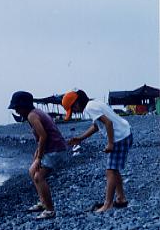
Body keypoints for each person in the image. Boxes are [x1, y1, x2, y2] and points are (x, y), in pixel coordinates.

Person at [62, 89, 132, 212]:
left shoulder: (90, 108)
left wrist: (110, 144)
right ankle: (121, 199)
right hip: (124, 133)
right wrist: (80, 138)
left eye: (73, 109)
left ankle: (108, 204)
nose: (75, 112)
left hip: (120, 137)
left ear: (77, 103)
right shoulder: (94, 103)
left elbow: (108, 123)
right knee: (114, 169)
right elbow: (96, 126)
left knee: (110, 171)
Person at [8, 91, 68, 219]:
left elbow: (43, 136)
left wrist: (39, 158)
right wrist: (37, 154)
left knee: (39, 176)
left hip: (56, 150)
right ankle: (43, 202)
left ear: (24, 106)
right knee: (32, 171)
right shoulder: (36, 113)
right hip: (53, 148)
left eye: (17, 108)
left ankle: (50, 210)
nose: (17, 111)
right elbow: (41, 138)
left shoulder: (32, 116)